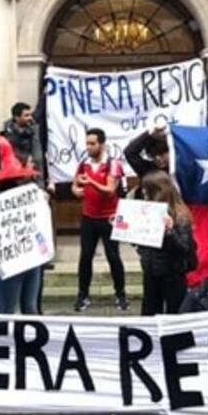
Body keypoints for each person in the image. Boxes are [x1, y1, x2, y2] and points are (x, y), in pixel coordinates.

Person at [0, 137, 44, 314]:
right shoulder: (14, 197)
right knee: (23, 307)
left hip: (24, 258)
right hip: (18, 260)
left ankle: (15, 337)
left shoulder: (31, 195)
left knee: (17, 307)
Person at [72, 128, 127, 312]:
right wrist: (76, 190)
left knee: (113, 257)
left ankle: (120, 295)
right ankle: (82, 295)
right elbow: (75, 184)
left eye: (92, 144)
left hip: (109, 218)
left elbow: (110, 189)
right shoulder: (83, 164)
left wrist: (91, 183)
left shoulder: (113, 164)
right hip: (89, 217)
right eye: (87, 143)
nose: (88, 147)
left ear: (102, 145)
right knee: (85, 257)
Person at [137, 171, 193, 315]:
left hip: (172, 275)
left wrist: (170, 232)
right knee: (149, 312)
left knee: (174, 313)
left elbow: (184, 248)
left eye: (147, 194)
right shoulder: (147, 213)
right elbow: (141, 244)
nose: (145, 198)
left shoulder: (179, 215)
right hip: (151, 272)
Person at [1, 101, 47, 190]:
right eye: (26, 115)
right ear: (16, 117)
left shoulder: (33, 129)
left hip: (31, 170)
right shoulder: (8, 131)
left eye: (30, 115)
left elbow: (37, 154)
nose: (30, 118)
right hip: (15, 172)